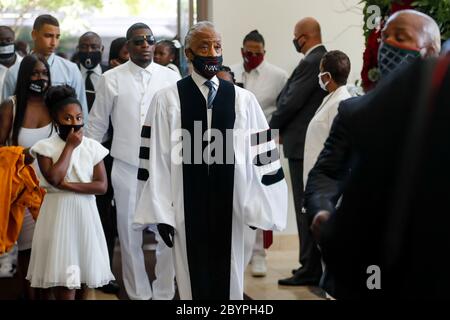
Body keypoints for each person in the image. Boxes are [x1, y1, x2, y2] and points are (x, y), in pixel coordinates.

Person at [133, 21, 288, 300]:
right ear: (189, 55)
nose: (213, 52)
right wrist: (161, 214)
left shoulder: (244, 100)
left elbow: (264, 155)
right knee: (191, 281)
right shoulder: (167, 100)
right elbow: (155, 160)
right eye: (204, 46)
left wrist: (260, 204)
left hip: (233, 204)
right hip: (183, 205)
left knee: (230, 278)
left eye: (217, 46)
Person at [304, 10, 441, 298]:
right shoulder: (357, 111)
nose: (388, 44)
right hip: (362, 262)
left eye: (400, 37)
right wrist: (322, 210)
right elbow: (327, 171)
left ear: (431, 51)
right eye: (385, 37)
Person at [86, 23, 180, 300]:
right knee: (128, 234)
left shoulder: (171, 78)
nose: (145, 45)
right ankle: (139, 293)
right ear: (128, 46)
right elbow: (95, 127)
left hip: (163, 168)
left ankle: (164, 291)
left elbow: (180, 125)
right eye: (138, 41)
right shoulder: (111, 79)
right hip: (125, 167)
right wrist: (87, 167)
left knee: (167, 232)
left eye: (150, 40)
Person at [26, 85, 115, 300]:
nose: (75, 123)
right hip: (58, 216)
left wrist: (68, 186)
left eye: (78, 117)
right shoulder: (44, 147)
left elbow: (101, 186)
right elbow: (55, 177)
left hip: (85, 215)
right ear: (56, 121)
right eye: (67, 119)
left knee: (84, 277)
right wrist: (69, 148)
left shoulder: (92, 146)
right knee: (66, 282)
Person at [269, 17, 327, 286]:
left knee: (304, 206)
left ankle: (309, 267)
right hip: (305, 143)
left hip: (302, 145)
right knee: (307, 206)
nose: (294, 41)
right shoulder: (319, 61)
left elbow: (291, 100)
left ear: (305, 36)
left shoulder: (312, 61)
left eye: (295, 36)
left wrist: (270, 128)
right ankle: (310, 265)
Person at [231, 29, 288, 277]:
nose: (252, 56)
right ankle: (239, 249)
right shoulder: (231, 71)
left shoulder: (278, 75)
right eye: (248, 52)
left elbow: (285, 108)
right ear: (242, 50)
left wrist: (277, 135)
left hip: (265, 142)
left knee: (262, 194)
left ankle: (259, 253)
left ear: (265, 52)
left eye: (257, 53)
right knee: (240, 195)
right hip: (235, 143)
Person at [0, 54, 54, 300]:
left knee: (51, 250)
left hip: (55, 188)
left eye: (43, 73)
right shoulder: (10, 106)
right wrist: (18, 153)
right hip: (23, 192)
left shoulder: (55, 104)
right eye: (34, 73)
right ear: (24, 77)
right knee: (28, 251)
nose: (39, 78)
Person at [76, 31, 119, 294]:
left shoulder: (110, 77)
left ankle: (104, 271)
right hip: (74, 152)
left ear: (101, 49)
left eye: (94, 46)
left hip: (106, 153)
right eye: (85, 46)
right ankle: (77, 268)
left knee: (104, 215)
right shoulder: (70, 72)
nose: (89, 50)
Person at [1, 14, 88, 119]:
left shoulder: (71, 70)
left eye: (57, 37)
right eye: (48, 36)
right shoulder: (14, 72)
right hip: (24, 132)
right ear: (34, 35)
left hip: (62, 133)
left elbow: (81, 111)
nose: (54, 43)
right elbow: (5, 115)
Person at [0, 26, 23, 94]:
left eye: (8, 40)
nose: (4, 43)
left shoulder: (25, 64)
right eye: (0, 40)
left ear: (14, 41)